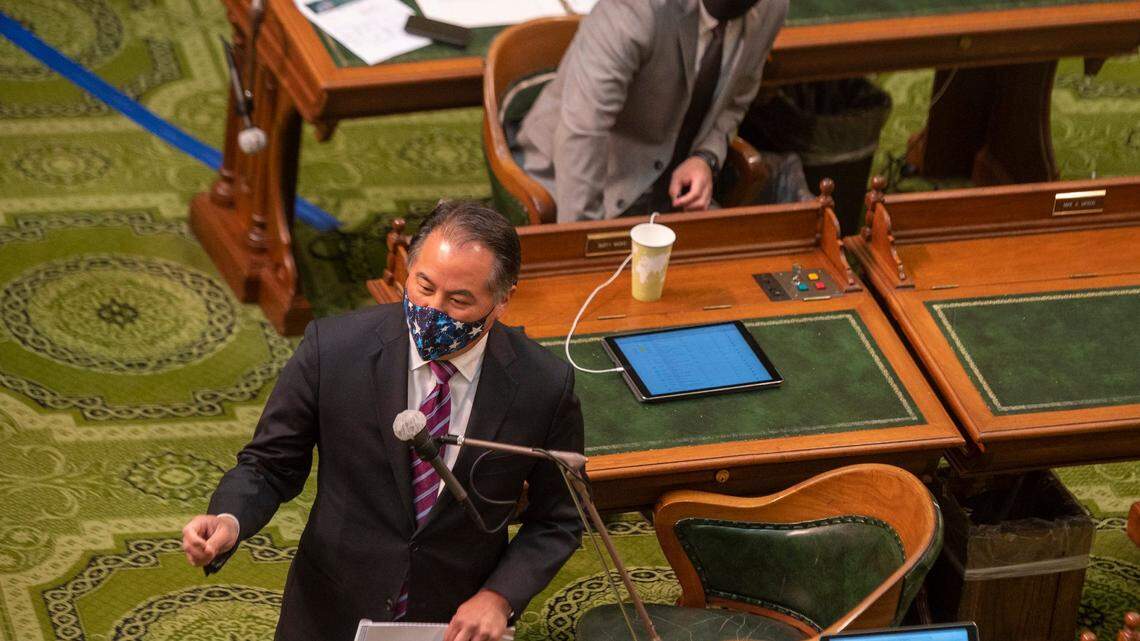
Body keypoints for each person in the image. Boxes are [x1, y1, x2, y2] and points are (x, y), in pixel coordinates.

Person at [181, 202, 584, 641]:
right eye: (424, 286)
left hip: (453, 623)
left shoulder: (543, 385)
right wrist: (230, 519)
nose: (432, 309)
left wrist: (499, 597)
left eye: (459, 300)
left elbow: (558, 519)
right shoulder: (333, 350)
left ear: (502, 300)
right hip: (331, 611)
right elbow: (269, 465)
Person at [514, 0, 788, 222]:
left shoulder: (772, 7)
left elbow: (736, 100)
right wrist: (584, 240)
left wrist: (705, 157)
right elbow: (584, 131)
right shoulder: (632, 9)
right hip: (579, 180)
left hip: (670, 188)